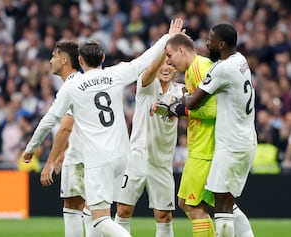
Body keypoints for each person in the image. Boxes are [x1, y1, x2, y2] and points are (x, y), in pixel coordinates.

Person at [22, 18, 184, 237]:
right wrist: (168, 37)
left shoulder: (73, 85)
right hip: (122, 156)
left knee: (100, 220)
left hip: (98, 159)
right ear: (103, 58)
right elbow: (145, 59)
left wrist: (31, 148)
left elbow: (49, 121)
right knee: (99, 212)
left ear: (79, 60)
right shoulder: (115, 74)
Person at [155, 32, 255, 237]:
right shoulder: (195, 70)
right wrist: (177, 106)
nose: (168, 61)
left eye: (170, 55)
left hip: (206, 148)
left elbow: (213, 109)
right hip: (201, 146)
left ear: (181, 50)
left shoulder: (200, 67)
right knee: (193, 203)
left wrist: (180, 109)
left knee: (196, 207)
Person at [183, 24, 258, 237]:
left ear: (221, 44)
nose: (207, 43)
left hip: (232, 145)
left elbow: (193, 102)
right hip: (245, 139)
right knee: (227, 202)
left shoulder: (221, 69)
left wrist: (180, 94)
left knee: (223, 207)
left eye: (210, 39)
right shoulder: (241, 60)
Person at [115, 52, 183, 237]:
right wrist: (167, 42)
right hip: (136, 157)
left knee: (164, 216)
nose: (165, 68)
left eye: (170, 64)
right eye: (162, 64)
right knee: (123, 210)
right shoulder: (146, 85)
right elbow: (151, 69)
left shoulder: (181, 92)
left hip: (162, 162)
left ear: (176, 68)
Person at [38, 40, 95, 237]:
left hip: (82, 156)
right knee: (89, 205)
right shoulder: (85, 82)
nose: (50, 60)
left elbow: (66, 127)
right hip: (93, 152)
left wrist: (50, 161)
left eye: (53, 56)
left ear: (64, 60)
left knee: (76, 205)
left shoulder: (73, 86)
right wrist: (63, 151)